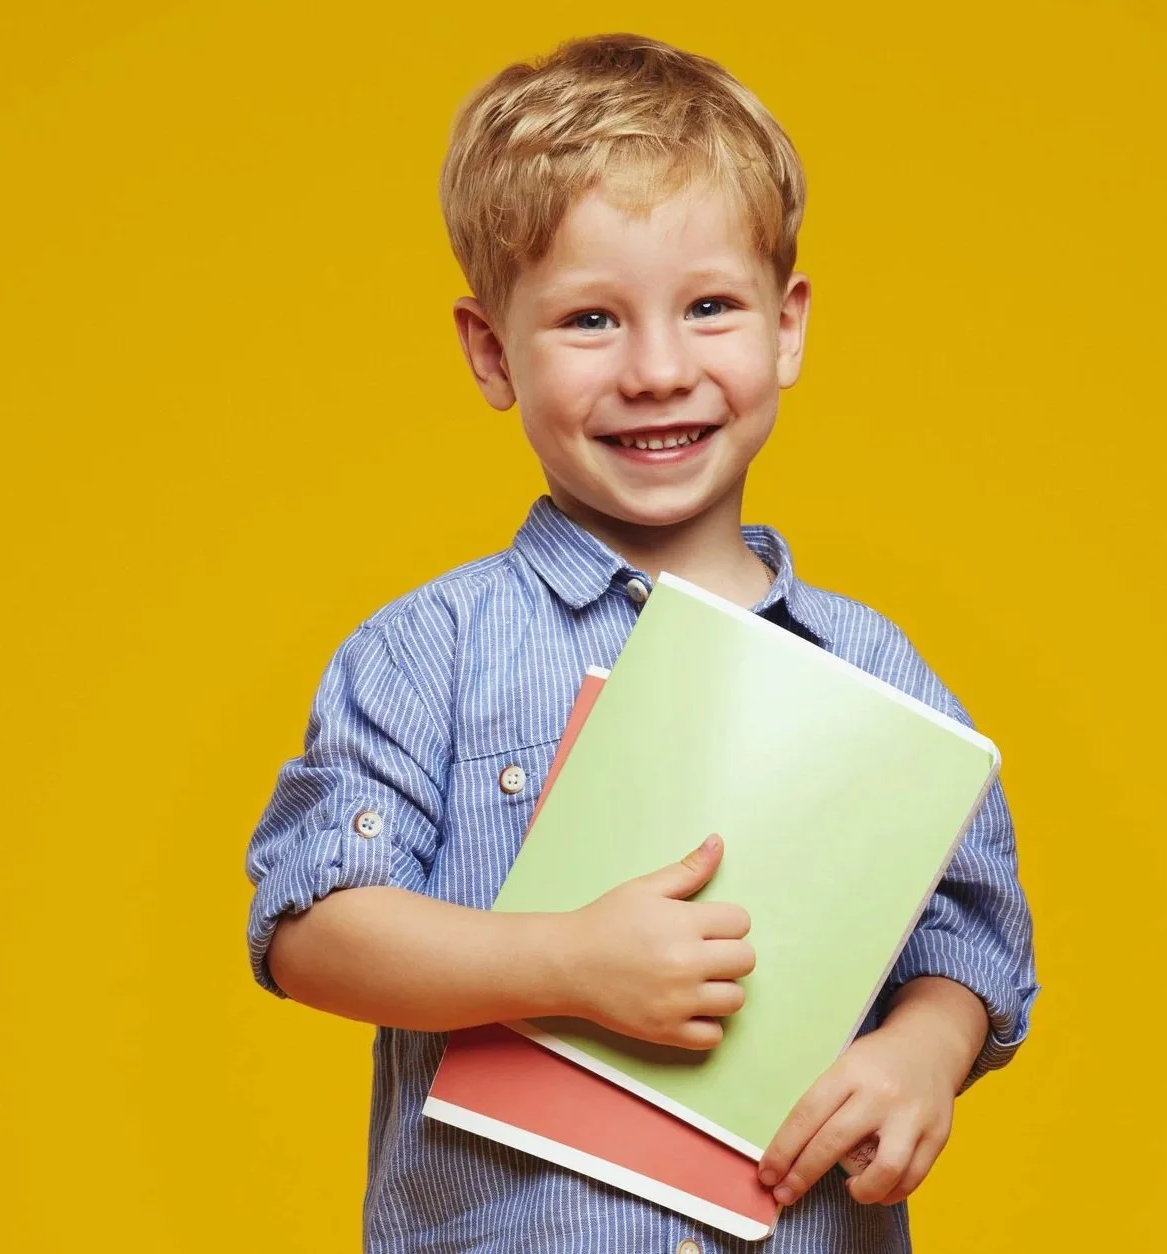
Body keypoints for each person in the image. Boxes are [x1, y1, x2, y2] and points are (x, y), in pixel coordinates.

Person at [244, 32, 1037, 1253]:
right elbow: (311, 926)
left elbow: (967, 933)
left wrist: (923, 1052)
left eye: (709, 307)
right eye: (591, 320)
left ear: (787, 327)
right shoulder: (427, 652)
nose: (659, 370)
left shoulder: (873, 668)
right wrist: (565, 962)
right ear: (492, 352)